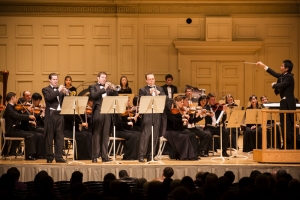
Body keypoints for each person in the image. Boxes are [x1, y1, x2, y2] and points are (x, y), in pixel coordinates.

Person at [257, 60, 296, 149]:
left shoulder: (289, 77)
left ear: (287, 68)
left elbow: (281, 85)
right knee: (283, 124)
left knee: (288, 126)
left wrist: (274, 85)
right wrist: (263, 65)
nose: (280, 67)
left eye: (282, 66)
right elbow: (274, 73)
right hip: (283, 103)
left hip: (288, 104)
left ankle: (289, 146)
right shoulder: (283, 76)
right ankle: (285, 145)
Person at [89, 72, 117, 162]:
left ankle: (105, 156)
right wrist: (104, 89)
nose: (104, 79)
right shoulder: (93, 87)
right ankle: (95, 156)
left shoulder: (109, 88)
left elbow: (116, 97)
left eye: (105, 77)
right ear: (98, 78)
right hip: (98, 111)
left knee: (106, 135)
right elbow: (93, 96)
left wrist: (114, 89)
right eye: (102, 77)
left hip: (108, 112)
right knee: (97, 134)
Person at [138, 73, 166, 162]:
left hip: (157, 114)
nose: (151, 80)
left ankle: (151, 155)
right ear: (146, 80)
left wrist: (159, 94)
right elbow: (142, 101)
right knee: (145, 136)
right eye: (149, 79)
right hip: (148, 114)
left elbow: (165, 99)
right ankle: (142, 155)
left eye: (153, 79)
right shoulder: (143, 90)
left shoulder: (160, 89)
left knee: (155, 135)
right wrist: (149, 95)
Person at [42, 73, 69, 163]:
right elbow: (49, 98)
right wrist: (59, 90)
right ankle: (49, 157)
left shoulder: (60, 90)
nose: (56, 81)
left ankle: (59, 156)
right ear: (49, 80)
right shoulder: (45, 89)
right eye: (54, 79)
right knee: (49, 136)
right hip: (51, 115)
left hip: (60, 114)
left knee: (60, 137)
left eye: (57, 79)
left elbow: (64, 101)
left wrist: (66, 93)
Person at [3, 92, 37, 160]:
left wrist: (26, 111)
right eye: (15, 97)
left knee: (32, 134)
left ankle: (33, 154)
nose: (16, 99)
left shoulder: (12, 107)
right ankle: (28, 156)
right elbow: (17, 116)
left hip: (15, 129)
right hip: (11, 131)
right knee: (30, 135)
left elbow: (19, 114)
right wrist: (29, 116)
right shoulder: (9, 108)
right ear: (12, 98)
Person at [164, 96, 198, 160]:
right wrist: (182, 118)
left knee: (192, 135)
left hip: (177, 130)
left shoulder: (177, 110)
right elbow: (174, 120)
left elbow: (179, 122)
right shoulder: (167, 112)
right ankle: (184, 155)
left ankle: (193, 155)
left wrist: (183, 115)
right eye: (172, 104)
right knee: (185, 137)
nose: (173, 106)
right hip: (169, 131)